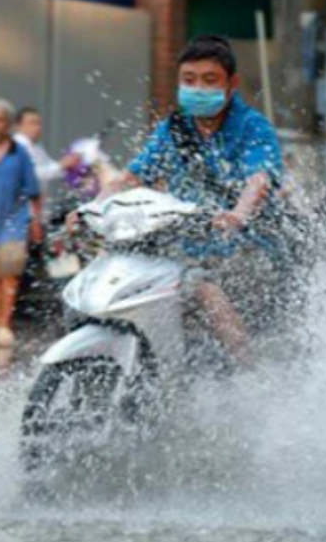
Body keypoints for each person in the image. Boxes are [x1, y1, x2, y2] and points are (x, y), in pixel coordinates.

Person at [98, 35, 285, 363]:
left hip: (247, 249)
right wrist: (93, 207)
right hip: (186, 246)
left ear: (232, 84)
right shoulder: (174, 128)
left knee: (201, 288)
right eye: (189, 80)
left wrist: (236, 216)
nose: (198, 88)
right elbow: (131, 176)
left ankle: (251, 375)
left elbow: (259, 181)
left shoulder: (253, 127)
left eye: (209, 80)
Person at [0, 99, 42, 347]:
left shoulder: (19, 153)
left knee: (8, 275)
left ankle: (4, 325)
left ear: (7, 124)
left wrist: (35, 221)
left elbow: (33, 190)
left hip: (13, 221)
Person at [13, 107, 80, 219]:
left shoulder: (36, 146)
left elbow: (51, 168)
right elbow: (30, 174)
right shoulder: (17, 147)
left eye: (38, 123)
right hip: (22, 210)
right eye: (31, 123)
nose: (37, 127)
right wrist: (62, 165)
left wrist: (70, 164)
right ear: (18, 126)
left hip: (36, 208)